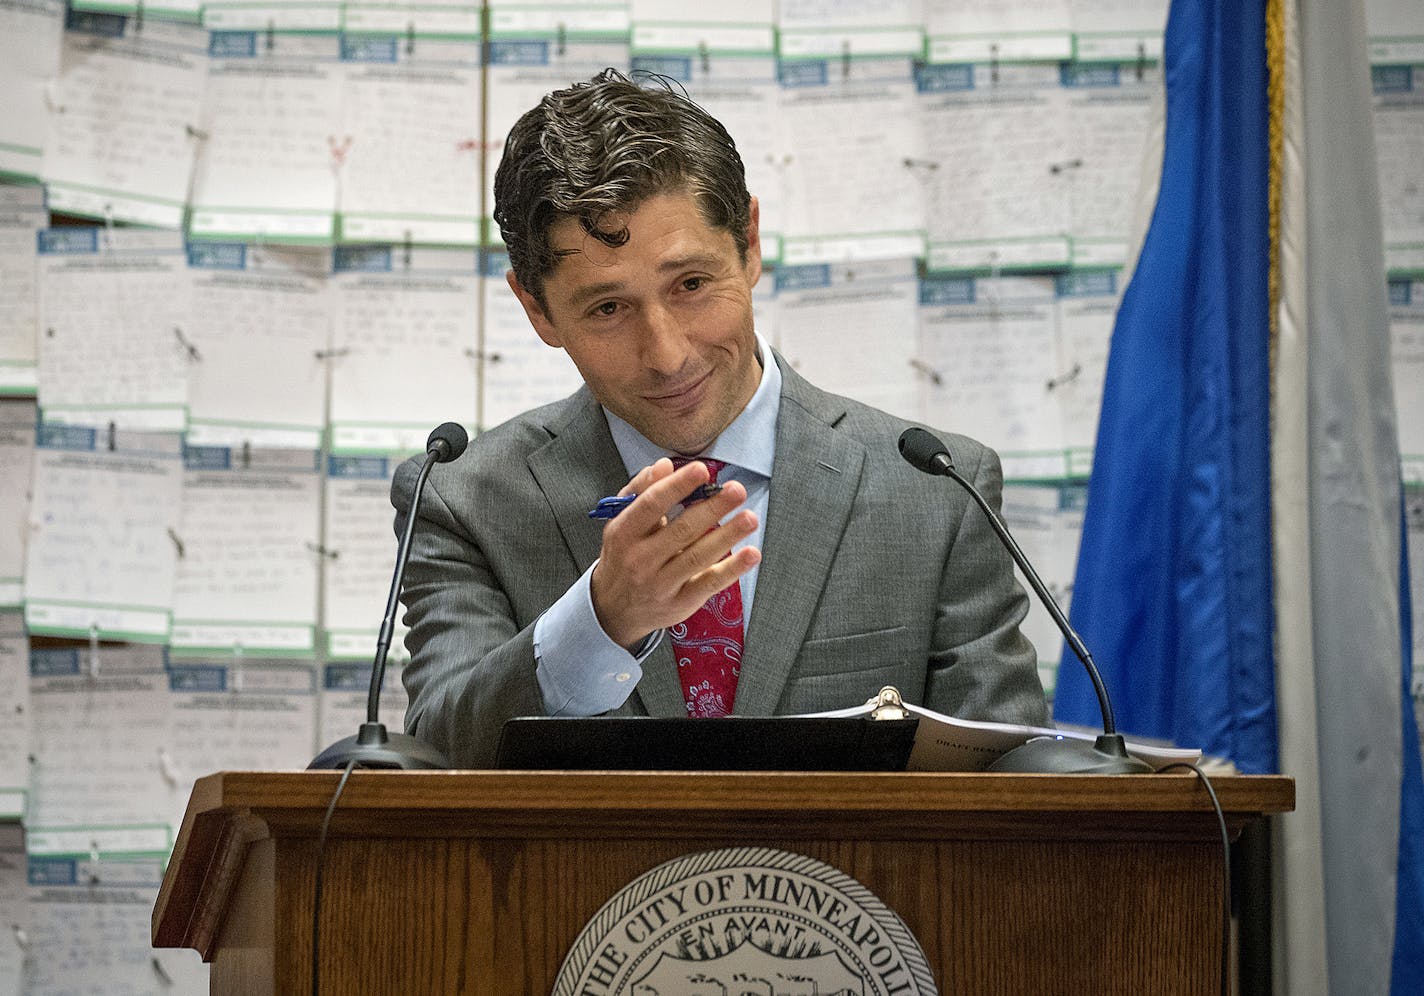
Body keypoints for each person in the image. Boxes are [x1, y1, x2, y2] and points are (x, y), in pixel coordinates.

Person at [393, 69, 1047, 768]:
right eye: (607, 309)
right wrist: (603, 619)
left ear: (751, 243)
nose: (668, 356)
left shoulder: (938, 490)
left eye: (692, 285)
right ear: (537, 310)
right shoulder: (463, 500)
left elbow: (1014, 794)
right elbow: (434, 758)